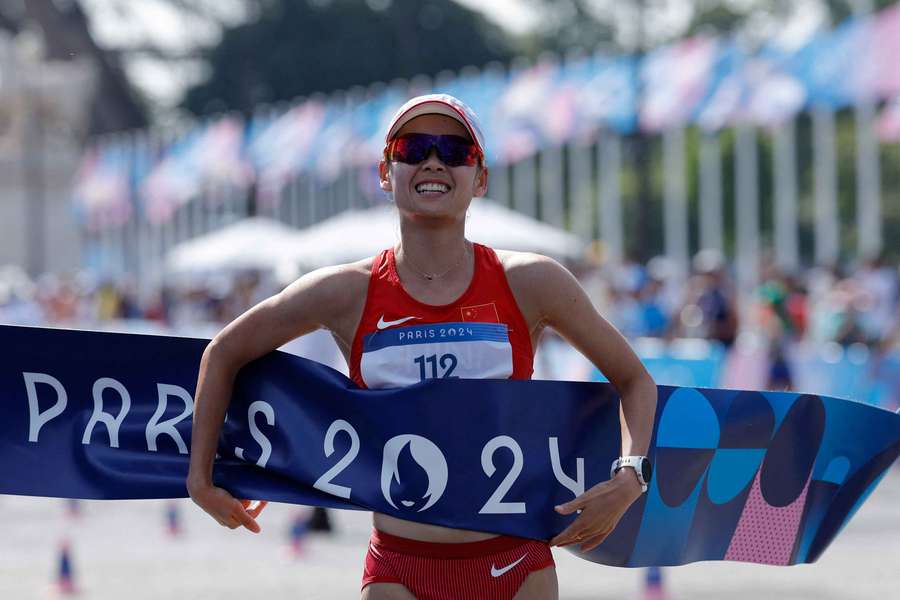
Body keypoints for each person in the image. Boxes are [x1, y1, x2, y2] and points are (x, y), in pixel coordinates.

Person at [186, 94, 657, 600]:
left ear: (480, 178)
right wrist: (200, 478)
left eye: (454, 151)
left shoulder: (532, 282)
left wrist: (630, 477)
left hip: (516, 563)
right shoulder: (345, 291)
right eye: (415, 148)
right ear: (387, 172)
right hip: (399, 569)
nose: (434, 161)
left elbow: (633, 380)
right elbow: (223, 352)